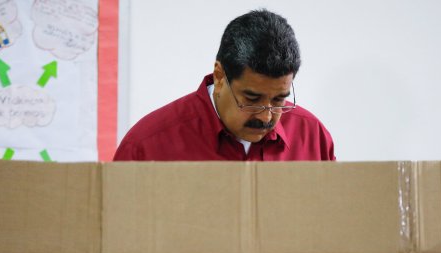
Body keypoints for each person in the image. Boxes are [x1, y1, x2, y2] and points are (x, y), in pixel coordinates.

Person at [114, 9, 335, 161]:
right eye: (251, 99)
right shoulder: (147, 147)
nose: (267, 117)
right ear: (220, 76)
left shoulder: (313, 138)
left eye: (278, 100)